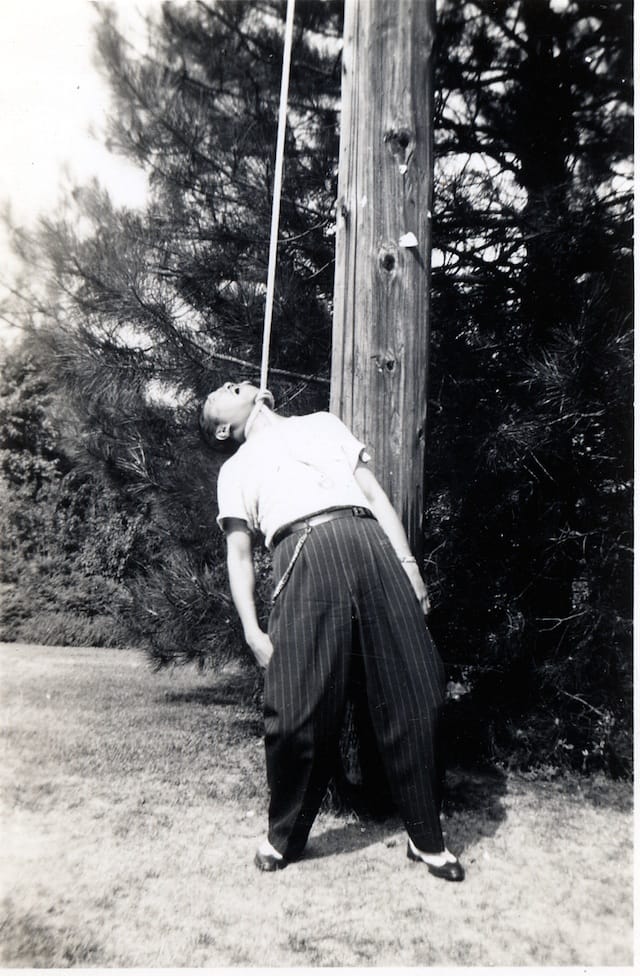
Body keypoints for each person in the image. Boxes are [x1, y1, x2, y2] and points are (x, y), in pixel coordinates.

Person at [199, 380, 464, 881]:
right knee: (297, 711)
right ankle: (284, 836)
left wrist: (407, 563)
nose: (234, 383)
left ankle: (426, 837)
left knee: (418, 687)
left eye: (236, 382)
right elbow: (239, 554)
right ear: (221, 427)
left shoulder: (322, 423)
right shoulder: (235, 469)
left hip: (370, 546)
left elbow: (373, 493)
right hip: (302, 554)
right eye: (223, 391)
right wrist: (253, 631)